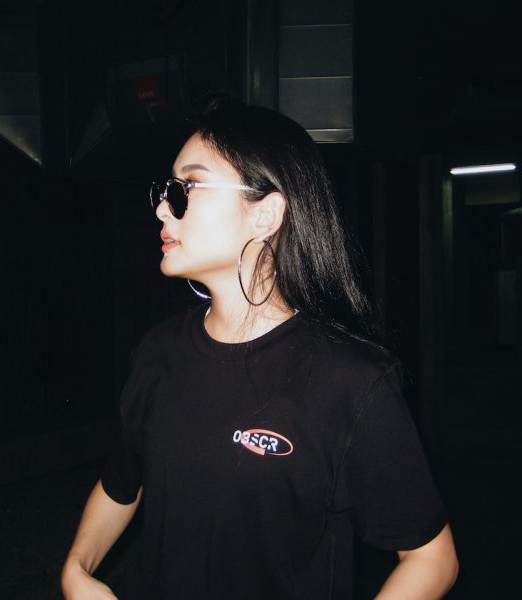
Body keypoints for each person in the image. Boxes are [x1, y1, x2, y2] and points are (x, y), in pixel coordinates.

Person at [61, 94, 458, 599]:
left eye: (190, 186)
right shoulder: (157, 353)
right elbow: (122, 484)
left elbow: (431, 558)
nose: (163, 206)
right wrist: (77, 570)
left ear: (266, 215)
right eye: (167, 189)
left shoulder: (350, 381)